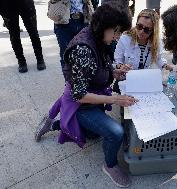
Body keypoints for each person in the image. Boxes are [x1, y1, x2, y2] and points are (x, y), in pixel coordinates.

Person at [35, 3, 135, 187]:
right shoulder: (83, 50)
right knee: (116, 133)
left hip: (92, 94)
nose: (117, 37)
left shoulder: (97, 35)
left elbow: (97, 68)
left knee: (93, 135)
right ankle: (110, 165)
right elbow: (79, 95)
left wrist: (114, 72)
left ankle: (57, 124)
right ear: (104, 26)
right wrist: (115, 98)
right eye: (116, 31)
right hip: (81, 104)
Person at [0, 0, 46, 73]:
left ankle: (40, 58)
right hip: (6, 5)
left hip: (26, 3)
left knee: (33, 31)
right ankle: (21, 61)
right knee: (14, 34)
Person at [53, 0, 94, 70]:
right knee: (66, 55)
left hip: (83, 19)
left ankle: (82, 78)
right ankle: (68, 80)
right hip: (63, 21)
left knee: (84, 53)